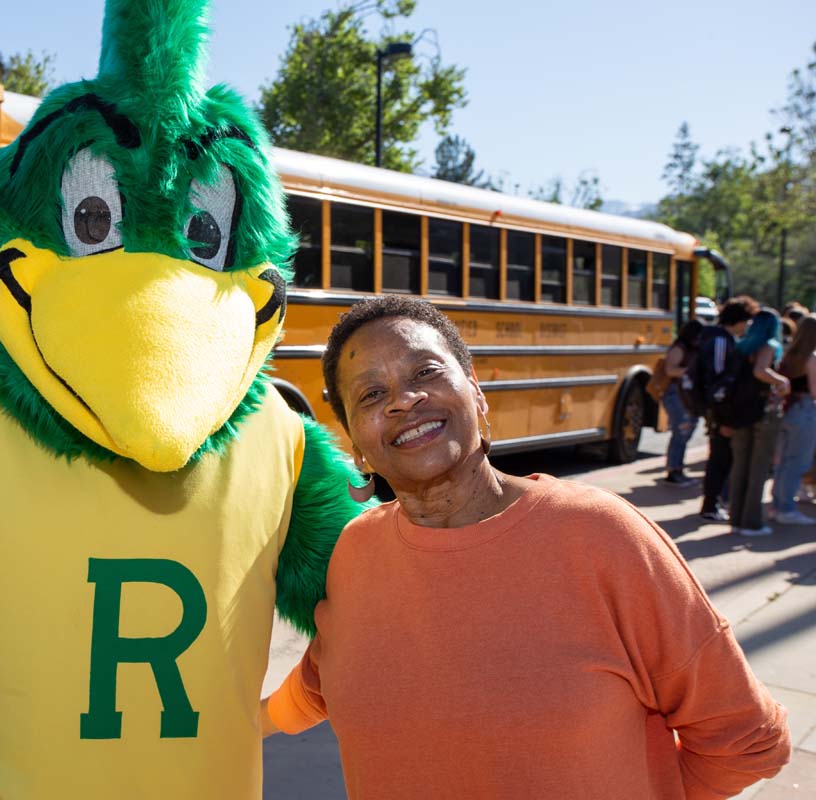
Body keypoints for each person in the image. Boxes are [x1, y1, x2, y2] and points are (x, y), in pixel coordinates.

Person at [261, 295, 790, 798]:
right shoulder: (355, 550)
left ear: (476, 391)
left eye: (426, 372)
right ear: (356, 442)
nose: (403, 399)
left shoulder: (601, 536)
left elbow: (747, 742)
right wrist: (236, 723)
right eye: (371, 394)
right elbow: (325, 677)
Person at [724, 309, 790, 536]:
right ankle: (751, 523)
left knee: (740, 466)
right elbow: (760, 371)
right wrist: (782, 380)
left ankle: (736, 518)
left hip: (741, 412)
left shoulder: (741, 346)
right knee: (759, 468)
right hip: (764, 412)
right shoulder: (770, 345)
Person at [697, 296, 759, 521]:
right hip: (721, 413)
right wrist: (723, 418)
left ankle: (713, 503)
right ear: (738, 320)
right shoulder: (722, 341)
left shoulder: (721, 339)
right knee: (719, 460)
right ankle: (710, 505)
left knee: (720, 459)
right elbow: (718, 383)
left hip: (720, 412)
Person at [771, 315, 816, 524]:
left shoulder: (790, 353)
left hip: (788, 410)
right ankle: (786, 509)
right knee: (797, 463)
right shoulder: (812, 358)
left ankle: (778, 505)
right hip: (805, 410)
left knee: (783, 463)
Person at [661, 319, 706, 486]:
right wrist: (692, 372)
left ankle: (676, 468)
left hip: (686, 395)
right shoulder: (679, 348)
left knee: (684, 433)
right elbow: (670, 370)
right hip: (676, 395)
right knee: (681, 433)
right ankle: (674, 470)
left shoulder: (692, 349)